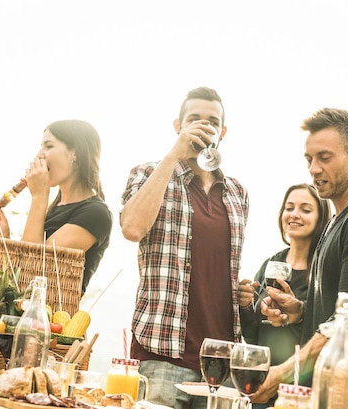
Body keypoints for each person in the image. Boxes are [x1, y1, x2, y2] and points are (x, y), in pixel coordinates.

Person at [252, 108, 348, 402]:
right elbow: (332, 313)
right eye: (309, 159)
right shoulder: (338, 220)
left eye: (324, 157)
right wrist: (299, 312)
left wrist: (284, 373)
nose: (313, 169)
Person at [120, 87, 249, 409]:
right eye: (194, 119)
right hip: (161, 354)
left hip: (219, 363)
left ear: (223, 131)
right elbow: (132, 228)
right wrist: (173, 156)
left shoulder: (237, 192)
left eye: (211, 121)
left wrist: (242, 291)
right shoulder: (148, 173)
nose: (202, 127)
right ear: (178, 125)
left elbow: (217, 263)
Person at [0, 119, 112, 294]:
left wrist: (39, 196)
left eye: (49, 146)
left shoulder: (95, 213)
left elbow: (36, 270)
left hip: (52, 318)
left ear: (74, 153)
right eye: (41, 146)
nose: (39, 155)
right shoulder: (55, 207)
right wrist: (3, 240)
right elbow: (20, 278)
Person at [237, 183, 330, 406]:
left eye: (305, 210)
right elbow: (252, 336)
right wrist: (246, 305)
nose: (294, 214)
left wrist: (295, 314)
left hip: (298, 388)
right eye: (289, 208)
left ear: (321, 218)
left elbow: (325, 329)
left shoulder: (324, 270)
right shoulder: (271, 263)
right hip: (261, 382)